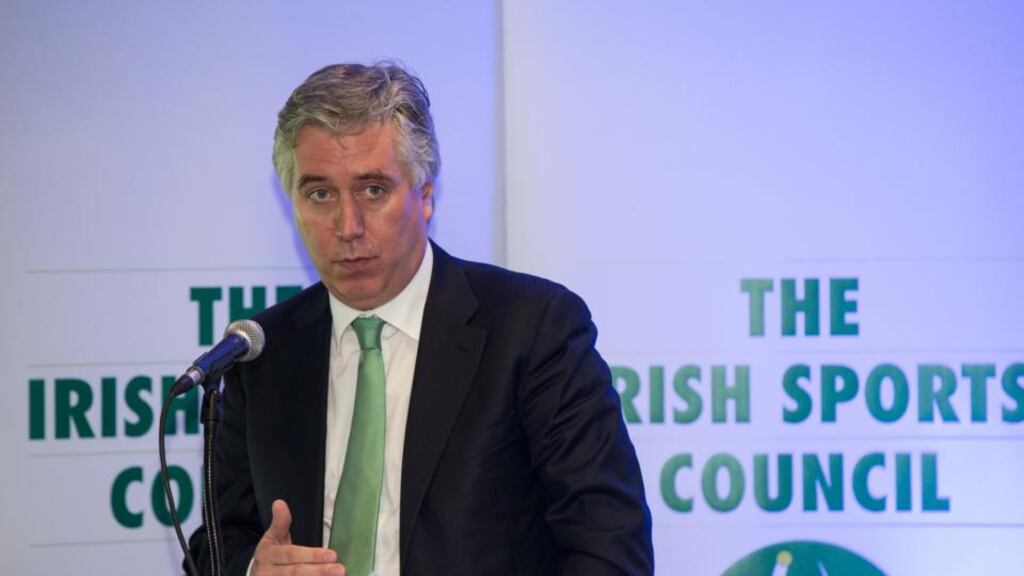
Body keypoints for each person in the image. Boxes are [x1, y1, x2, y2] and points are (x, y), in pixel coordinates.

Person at [187, 62, 653, 576]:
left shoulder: (532, 329)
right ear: (293, 202)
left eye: (373, 190)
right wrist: (254, 568)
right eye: (320, 194)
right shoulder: (262, 352)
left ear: (425, 195)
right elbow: (217, 540)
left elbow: (610, 545)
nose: (347, 226)